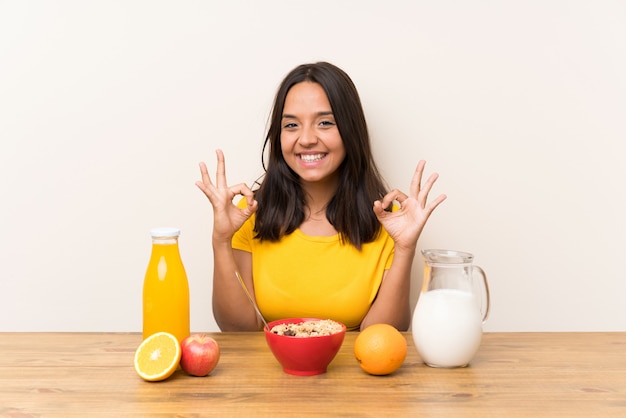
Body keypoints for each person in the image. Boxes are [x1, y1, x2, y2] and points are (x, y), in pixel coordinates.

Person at [196, 62, 446, 332]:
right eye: (291, 125)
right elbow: (238, 330)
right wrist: (221, 240)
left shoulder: (388, 220)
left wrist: (405, 249)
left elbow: (382, 337)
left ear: (351, 130)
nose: (305, 139)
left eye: (325, 123)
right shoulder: (251, 213)